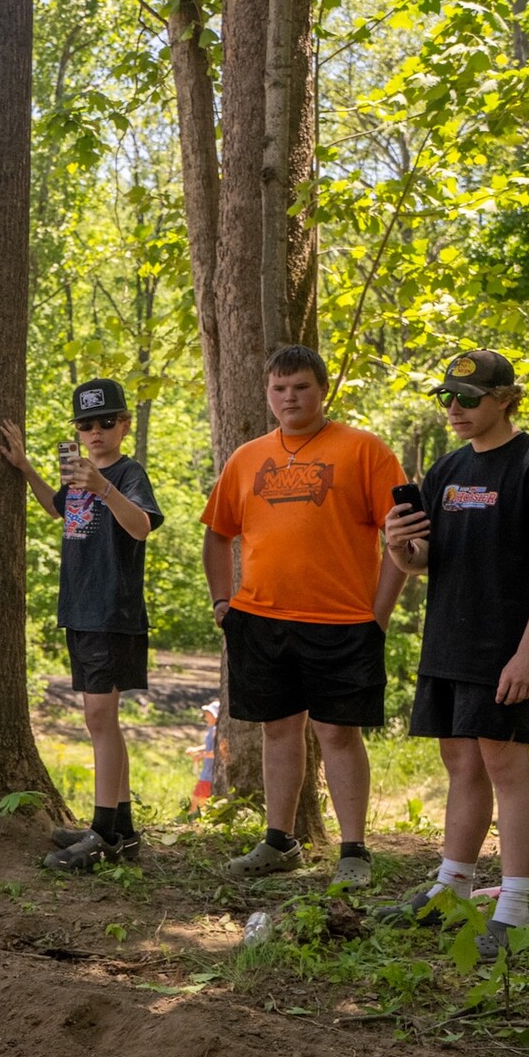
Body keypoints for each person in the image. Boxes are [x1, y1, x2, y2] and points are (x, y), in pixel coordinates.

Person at [378, 351, 529, 958]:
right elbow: (422, 561)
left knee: (504, 765)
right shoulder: (448, 469)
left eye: (468, 397)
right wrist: (399, 549)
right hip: (448, 639)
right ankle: (452, 889)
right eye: (447, 396)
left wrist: (528, 653)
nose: (454, 409)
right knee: (460, 764)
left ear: (505, 398)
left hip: (504, 645)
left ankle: (514, 908)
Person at [201, 344, 408, 886]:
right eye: (279, 388)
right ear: (268, 394)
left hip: (342, 622)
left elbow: (403, 539)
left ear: (322, 391)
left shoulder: (365, 451)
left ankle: (354, 850)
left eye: (300, 387)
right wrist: (225, 602)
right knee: (277, 730)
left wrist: (377, 614)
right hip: (261, 620)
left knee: (338, 733)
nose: (289, 397)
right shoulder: (247, 458)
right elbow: (217, 534)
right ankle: (279, 840)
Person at [0, 377, 164, 869]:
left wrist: (104, 486)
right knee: (103, 721)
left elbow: (142, 527)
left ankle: (102, 834)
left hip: (112, 611)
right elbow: (57, 510)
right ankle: (124, 830)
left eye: (106, 422)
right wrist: (27, 466)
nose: (95, 432)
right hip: (81, 609)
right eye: (86, 425)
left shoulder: (128, 474)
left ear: (124, 425)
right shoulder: (77, 477)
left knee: (99, 719)